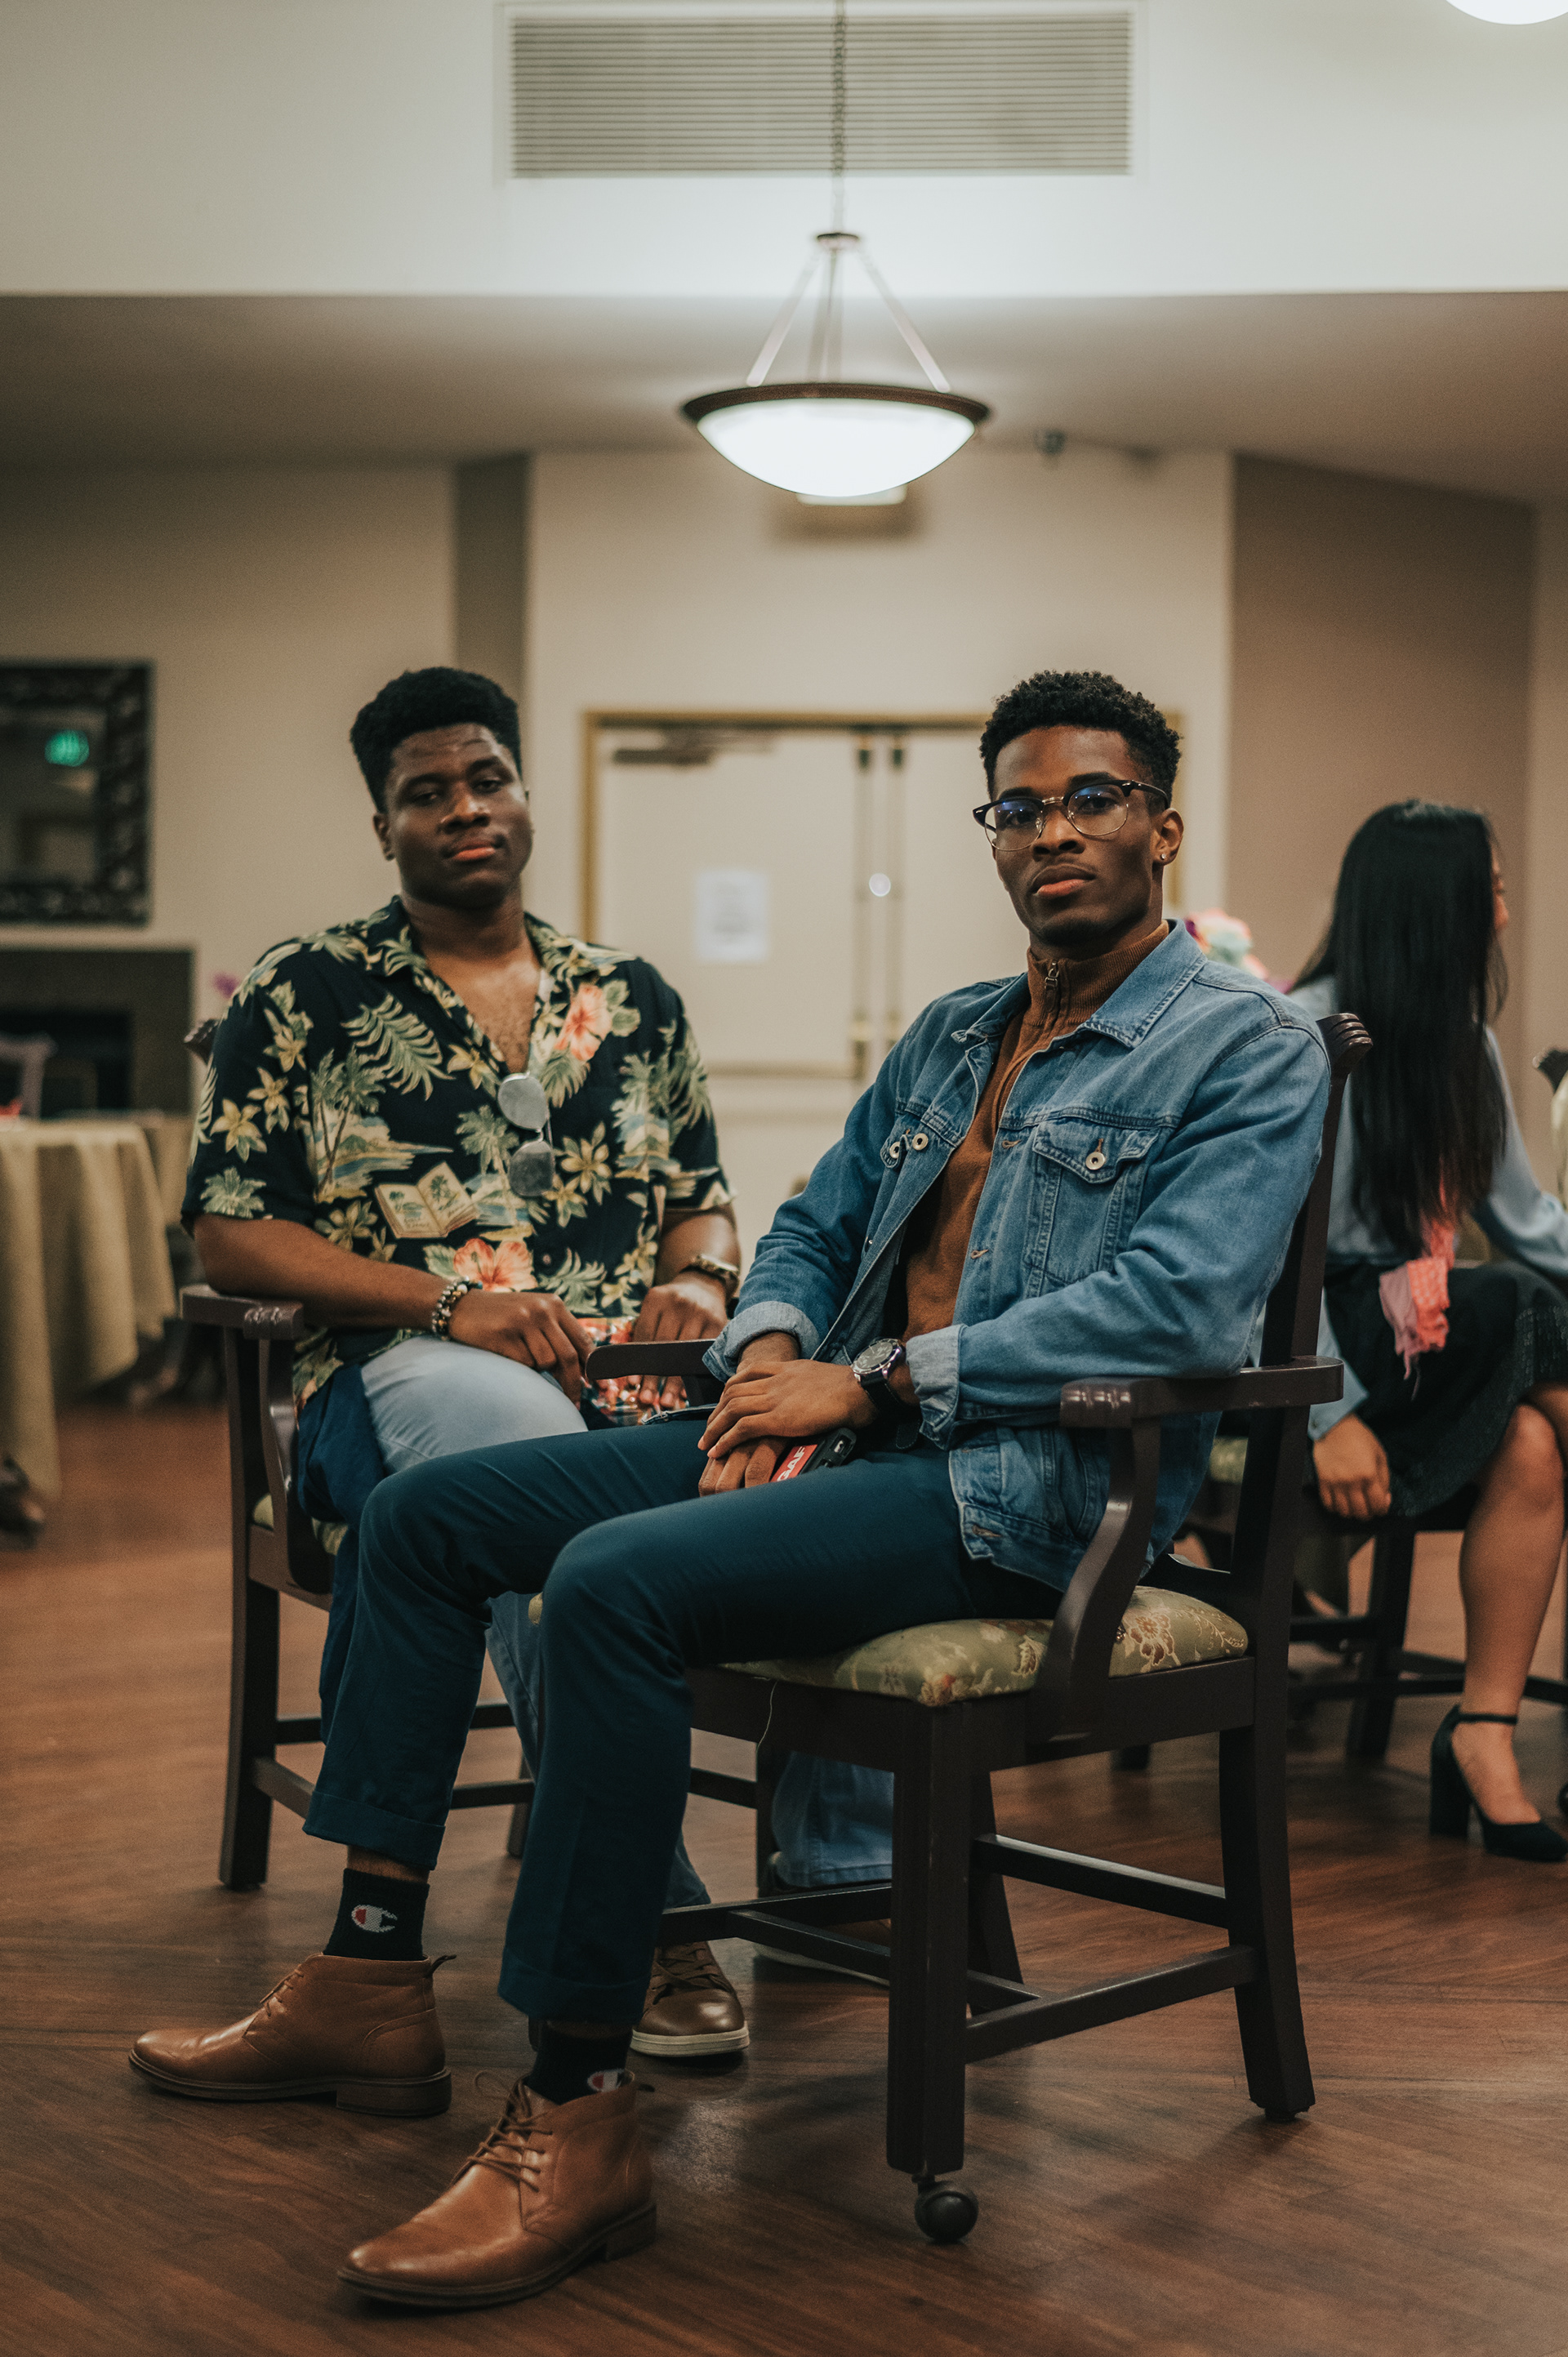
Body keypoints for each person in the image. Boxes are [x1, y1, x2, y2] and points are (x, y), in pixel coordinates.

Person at [136, 668, 1331, 2310]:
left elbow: (1177, 1309)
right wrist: (769, 1353)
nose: (1053, 831)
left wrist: (877, 1378)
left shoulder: (1247, 1046)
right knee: (427, 1522)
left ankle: (578, 2109)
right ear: (991, 835)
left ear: (1161, 826)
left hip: (1026, 1500)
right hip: (855, 1444)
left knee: (613, 1585)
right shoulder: (954, 1033)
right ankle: (370, 1970)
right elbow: (811, 1227)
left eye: (1092, 799)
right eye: (1020, 806)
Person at [182, 663, 893, 2062]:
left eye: (486, 778)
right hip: (392, 1380)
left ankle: (842, 1874)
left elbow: (703, 1200)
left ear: (522, 791)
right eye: (425, 792)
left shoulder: (633, 998)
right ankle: (652, 1911)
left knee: (832, 1442)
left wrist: (700, 1277)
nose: (464, 809)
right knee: (519, 1455)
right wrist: (451, 1300)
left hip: (637, 1385)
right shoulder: (306, 989)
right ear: (382, 824)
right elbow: (229, 1233)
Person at [1294, 801, 1568, 1860]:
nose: (1503, 913)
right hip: (1313, 1343)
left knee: (1535, 1443)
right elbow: (1251, 1261)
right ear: (1433, 907)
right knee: (1522, 1302)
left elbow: (1531, 1225)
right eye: (1488, 890)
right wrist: (1327, 1412)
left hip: (1424, 1332)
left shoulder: (1466, 1045)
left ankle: (1484, 1733)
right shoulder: (1297, 1036)